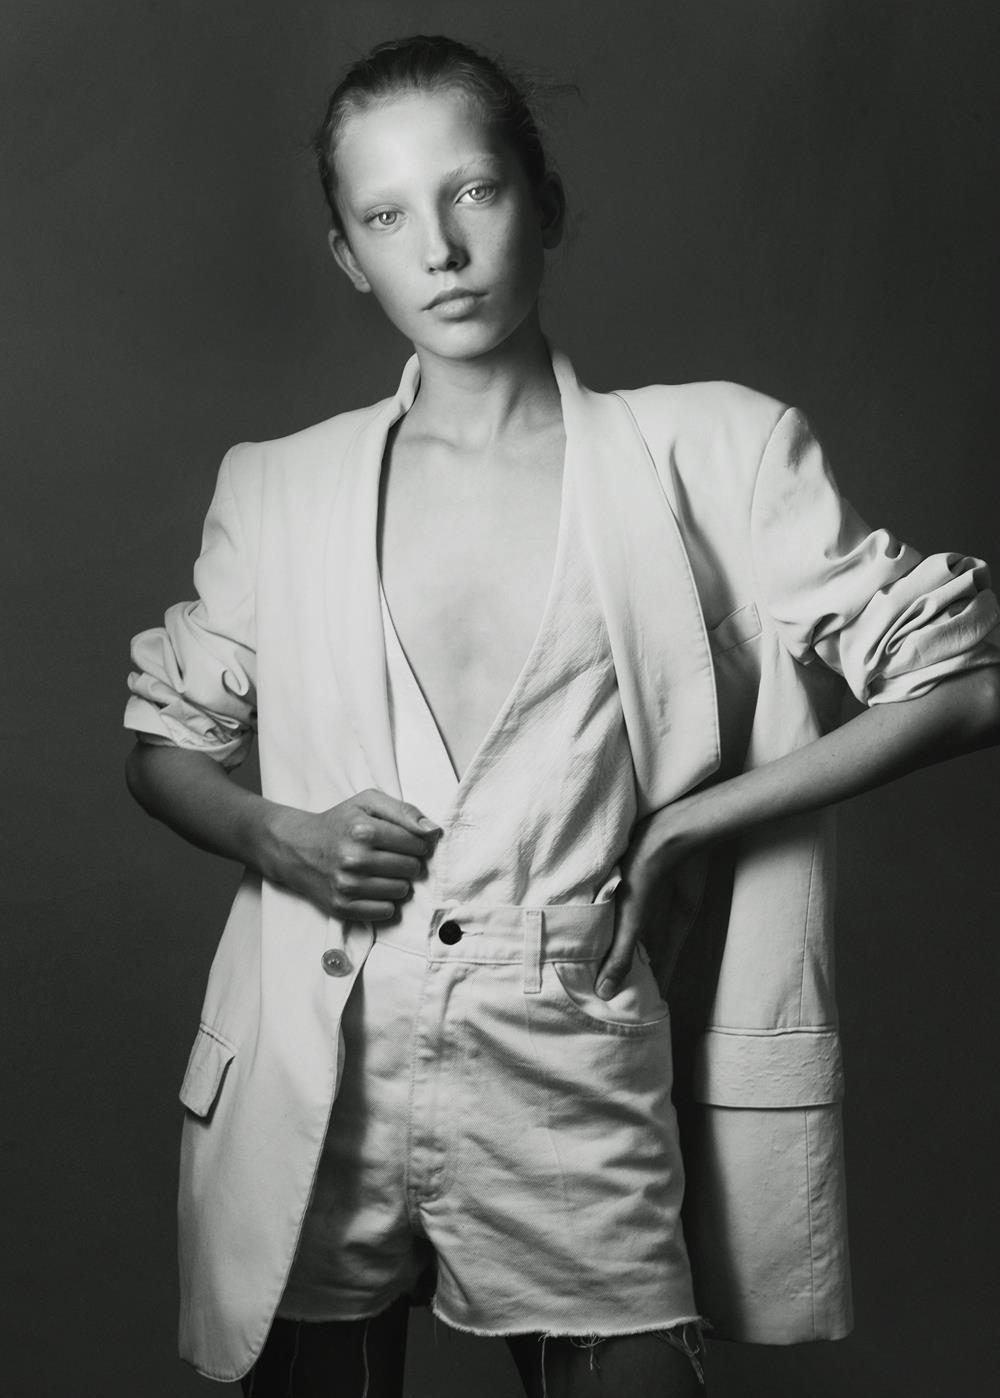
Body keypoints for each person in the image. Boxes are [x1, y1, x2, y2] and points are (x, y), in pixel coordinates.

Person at [123, 34, 1000, 1398]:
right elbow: (163, 748)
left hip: (572, 1052)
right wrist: (279, 834)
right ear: (348, 255)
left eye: (472, 192)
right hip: (317, 1068)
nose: (440, 250)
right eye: (386, 217)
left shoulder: (713, 451)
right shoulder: (279, 485)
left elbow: (966, 685)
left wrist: (695, 822)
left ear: (546, 201)